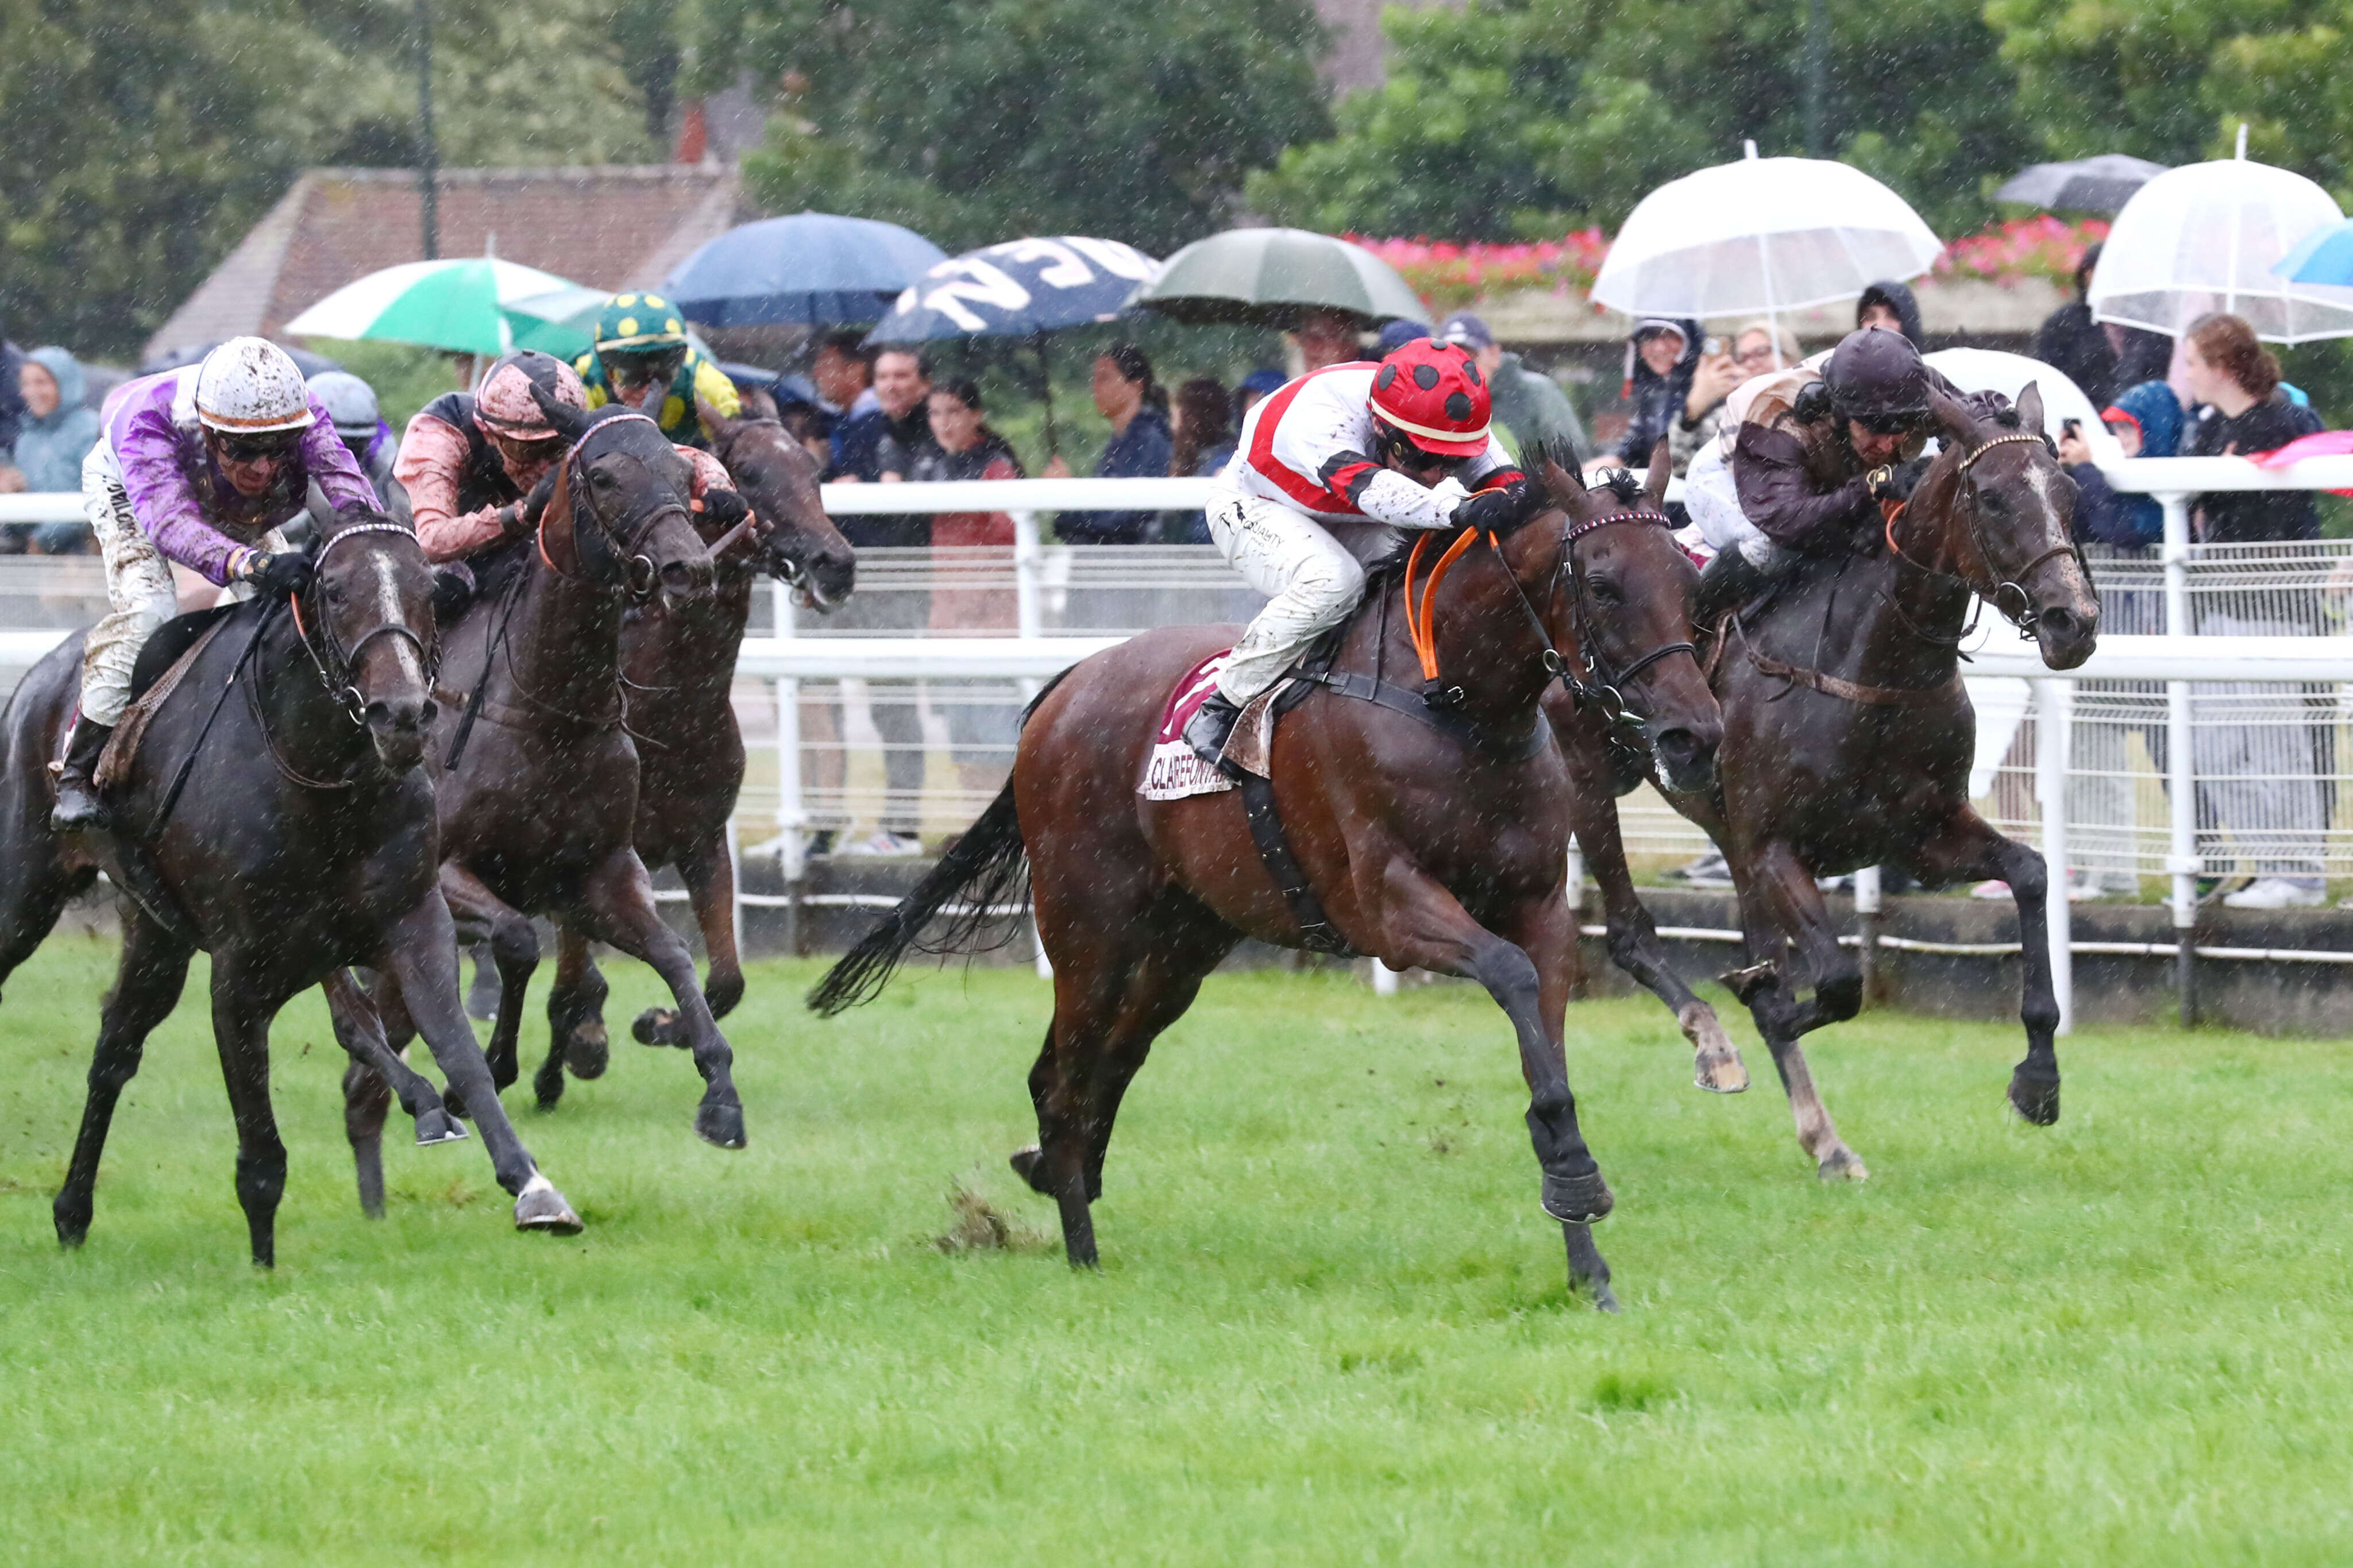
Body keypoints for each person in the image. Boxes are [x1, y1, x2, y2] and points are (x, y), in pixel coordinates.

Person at [53, 338, 380, 830]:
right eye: (245, 450)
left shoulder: (303, 413)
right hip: (136, 492)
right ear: (208, 430)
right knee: (150, 612)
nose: (264, 467)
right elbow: (170, 526)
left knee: (298, 608)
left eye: (278, 449)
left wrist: (375, 551)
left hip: (225, 499)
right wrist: (253, 565)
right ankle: (76, 775)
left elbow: (349, 489)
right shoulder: (150, 422)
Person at [1181, 337, 1545, 770]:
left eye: (1449, 461)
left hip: (1350, 512)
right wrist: (1460, 506)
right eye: (1423, 456)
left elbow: (1508, 485)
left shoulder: (1442, 421)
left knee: (1434, 564)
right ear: (1380, 427)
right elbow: (1374, 492)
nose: (1434, 473)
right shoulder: (1320, 419)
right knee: (1334, 581)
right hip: (1257, 505)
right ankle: (1222, 706)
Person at [2178, 312, 2329, 910]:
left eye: (2191, 361)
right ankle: (2270, 861)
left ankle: (2297, 873)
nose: (2184, 373)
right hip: (2218, 601)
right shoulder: (2208, 428)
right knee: (2213, 745)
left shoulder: (2286, 419)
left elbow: (2297, 501)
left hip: (2275, 602)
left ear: (2219, 367)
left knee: (2273, 744)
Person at [1691, 327, 1992, 624]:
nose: (1887, 445)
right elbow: (1787, 522)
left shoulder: (1909, 386)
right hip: (1730, 477)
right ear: (1841, 412)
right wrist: (1875, 484)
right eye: (1874, 428)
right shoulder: (1782, 424)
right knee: (1774, 551)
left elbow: (1986, 415)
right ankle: (1694, 622)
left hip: (1815, 476)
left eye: (1898, 428)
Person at [909, 377, 1027, 804]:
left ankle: (999, 835)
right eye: (935, 413)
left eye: (953, 411)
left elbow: (1009, 536)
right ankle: (972, 826)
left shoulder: (995, 465)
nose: (943, 422)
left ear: (976, 416)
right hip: (949, 623)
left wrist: (979, 596)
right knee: (961, 739)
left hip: (990, 625)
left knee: (994, 735)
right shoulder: (931, 466)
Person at [1044, 342, 1172, 544]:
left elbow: (1118, 517)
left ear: (1135, 386)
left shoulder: (1149, 440)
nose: (1095, 387)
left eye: (1104, 378)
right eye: (1094, 380)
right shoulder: (1124, 439)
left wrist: (1070, 495)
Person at [574, 293, 739, 449]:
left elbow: (740, 442)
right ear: (608, 371)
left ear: (678, 365)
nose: (648, 391)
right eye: (634, 377)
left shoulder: (704, 381)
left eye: (663, 376)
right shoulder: (583, 382)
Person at [1440, 311, 1588, 465]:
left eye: (1470, 356)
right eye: (1451, 358)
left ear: (1494, 354)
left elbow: (1573, 457)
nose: (1461, 367)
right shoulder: (1439, 401)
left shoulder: (1538, 392)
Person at [2056, 380, 2181, 549]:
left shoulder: (2171, 478)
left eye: (2127, 426)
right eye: (2117, 427)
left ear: (2155, 427)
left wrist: (2085, 468)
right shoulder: (2131, 472)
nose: (2120, 435)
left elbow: (2123, 532)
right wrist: (2064, 470)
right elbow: (2083, 529)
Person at [1668, 321, 1799, 478]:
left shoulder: (1810, 400)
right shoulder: (1726, 414)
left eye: (1762, 352)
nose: (1750, 363)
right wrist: (1692, 411)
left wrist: (1760, 402)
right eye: (1742, 358)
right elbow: (1681, 469)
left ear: (1789, 357)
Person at [11, 349, 103, 554]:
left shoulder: (91, 430)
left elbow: (96, 497)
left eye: (41, 382)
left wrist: (43, 540)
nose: (31, 392)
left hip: (89, 558)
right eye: (26, 384)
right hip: (38, 561)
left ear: (65, 384)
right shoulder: (27, 437)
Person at [306, 370, 409, 527]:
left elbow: (393, 486)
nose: (346, 453)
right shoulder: (287, 451)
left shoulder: (380, 439)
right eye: (338, 442)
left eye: (356, 444)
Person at [1162, 376, 1239, 544]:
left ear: (1192, 420)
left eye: (1175, 417)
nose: (1172, 427)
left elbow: (1190, 533)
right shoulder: (1233, 454)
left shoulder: (1217, 465)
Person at [1615, 318, 1700, 467]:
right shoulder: (1652, 391)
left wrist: (1696, 407)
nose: (1659, 348)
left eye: (1670, 335)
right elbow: (1628, 450)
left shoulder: (1719, 386)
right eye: (1649, 337)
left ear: (1689, 339)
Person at [869, 346, 938, 482]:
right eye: (882, 377)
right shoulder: (869, 431)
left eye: (901, 376)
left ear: (926, 384)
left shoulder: (942, 431)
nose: (890, 386)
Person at [1291, 308, 1363, 373]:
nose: (1315, 345)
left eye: (1330, 337)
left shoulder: (1367, 381)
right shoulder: (1287, 384)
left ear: (1351, 346)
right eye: (1309, 336)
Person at [1856, 280, 1925, 346]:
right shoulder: (1851, 357)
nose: (1880, 325)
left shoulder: (1931, 357)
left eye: (1892, 316)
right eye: (1870, 317)